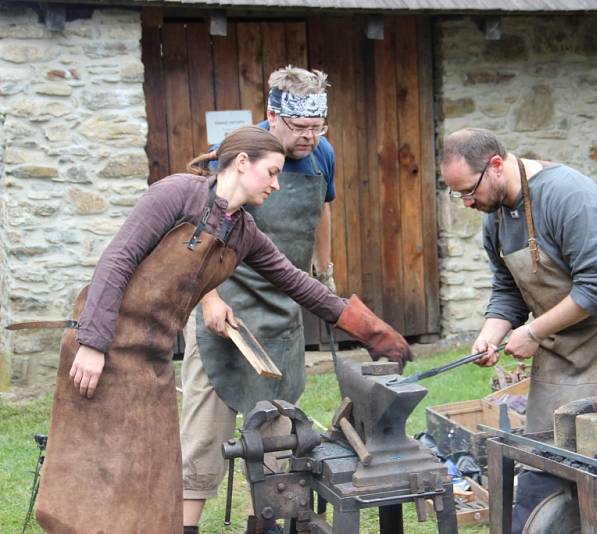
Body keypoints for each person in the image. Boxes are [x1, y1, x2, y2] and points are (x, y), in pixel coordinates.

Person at [35, 126, 412, 534]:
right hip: (103, 350)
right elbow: (117, 261)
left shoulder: (244, 232)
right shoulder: (177, 194)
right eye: (271, 172)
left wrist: (372, 331)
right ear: (243, 162)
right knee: (89, 471)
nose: (276, 183)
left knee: (153, 477)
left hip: (152, 359)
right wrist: (93, 343)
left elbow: (298, 283)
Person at [439, 128, 597, 533]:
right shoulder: (494, 219)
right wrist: (492, 332)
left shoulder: (568, 194)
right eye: (457, 194)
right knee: (543, 459)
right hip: (565, 345)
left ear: (496, 165)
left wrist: (533, 333)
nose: (467, 202)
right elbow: (507, 290)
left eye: (468, 190)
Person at [179, 66, 339, 534]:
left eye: (317, 127)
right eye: (300, 128)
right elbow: (197, 233)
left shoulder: (321, 154)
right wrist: (208, 298)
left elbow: (321, 211)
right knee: (204, 436)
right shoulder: (241, 154)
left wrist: (323, 274)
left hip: (280, 309)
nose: (310, 137)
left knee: (276, 434)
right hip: (225, 309)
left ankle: (263, 526)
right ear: (273, 116)